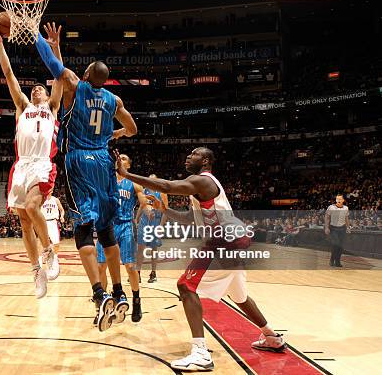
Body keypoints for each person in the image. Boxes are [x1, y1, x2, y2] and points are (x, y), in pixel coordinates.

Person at [115, 147, 286, 371]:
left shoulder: (203, 181)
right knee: (239, 295)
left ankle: (201, 354)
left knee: (185, 286)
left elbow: (167, 186)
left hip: (225, 242)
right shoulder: (201, 187)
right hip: (234, 239)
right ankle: (272, 338)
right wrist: (164, 209)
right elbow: (190, 219)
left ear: (205, 161)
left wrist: (126, 174)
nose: (188, 156)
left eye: (194, 154)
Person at [34, 24, 138, 331]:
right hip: (104, 160)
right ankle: (119, 292)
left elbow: (54, 68)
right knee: (106, 231)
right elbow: (132, 129)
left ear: (87, 74)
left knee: (83, 229)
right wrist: (112, 133)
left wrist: (38, 36)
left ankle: (98, 293)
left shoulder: (74, 86)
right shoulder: (113, 100)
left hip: (78, 159)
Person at [0, 21, 63, 299]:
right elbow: (8, 74)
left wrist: (56, 49)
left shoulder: (52, 108)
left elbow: (59, 76)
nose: (35, 90)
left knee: (34, 207)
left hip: (42, 163)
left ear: (46, 95)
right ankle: (36, 270)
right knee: (23, 221)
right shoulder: (22, 107)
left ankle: (49, 252)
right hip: (20, 166)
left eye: (39, 89)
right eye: (32, 89)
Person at [96, 153, 149, 324]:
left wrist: (147, 208)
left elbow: (143, 202)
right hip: (107, 225)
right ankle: (101, 306)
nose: (121, 160)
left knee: (130, 266)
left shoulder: (134, 184)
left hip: (125, 225)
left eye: (125, 158)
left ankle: (136, 300)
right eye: (119, 158)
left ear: (129, 165)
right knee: (100, 267)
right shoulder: (106, 180)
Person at [136, 176, 168, 283]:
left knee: (154, 249)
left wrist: (160, 226)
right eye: (149, 179)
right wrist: (136, 220)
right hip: (144, 221)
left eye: (153, 179)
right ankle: (138, 273)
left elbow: (165, 211)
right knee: (140, 248)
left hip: (156, 222)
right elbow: (141, 206)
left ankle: (153, 273)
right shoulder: (144, 192)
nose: (150, 181)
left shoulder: (162, 193)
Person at [325, 194, 350, 267]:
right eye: (337, 199)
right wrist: (326, 227)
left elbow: (346, 218)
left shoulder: (346, 208)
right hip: (333, 228)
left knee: (340, 246)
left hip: (342, 228)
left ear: (343, 200)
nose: (338, 200)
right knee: (336, 245)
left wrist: (348, 227)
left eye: (340, 199)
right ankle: (332, 260)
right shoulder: (331, 207)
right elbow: (327, 217)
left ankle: (338, 262)